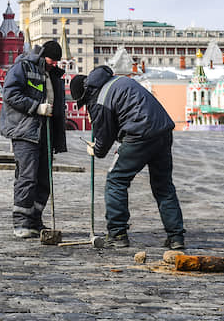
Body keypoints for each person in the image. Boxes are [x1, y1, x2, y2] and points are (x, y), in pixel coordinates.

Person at [69, 65, 186, 250]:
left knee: (116, 181)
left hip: (139, 135)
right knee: (163, 186)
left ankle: (117, 234)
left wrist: (95, 149)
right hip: (163, 131)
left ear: (86, 92)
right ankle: (176, 237)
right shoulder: (117, 81)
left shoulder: (100, 99)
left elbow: (104, 139)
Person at [1, 41, 68, 238]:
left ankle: (35, 219)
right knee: (27, 177)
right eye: (52, 60)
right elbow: (11, 94)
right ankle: (21, 222)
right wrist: (36, 107)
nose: (55, 64)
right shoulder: (23, 67)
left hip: (46, 132)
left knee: (44, 180)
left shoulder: (53, 73)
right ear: (42, 56)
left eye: (57, 61)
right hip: (25, 131)